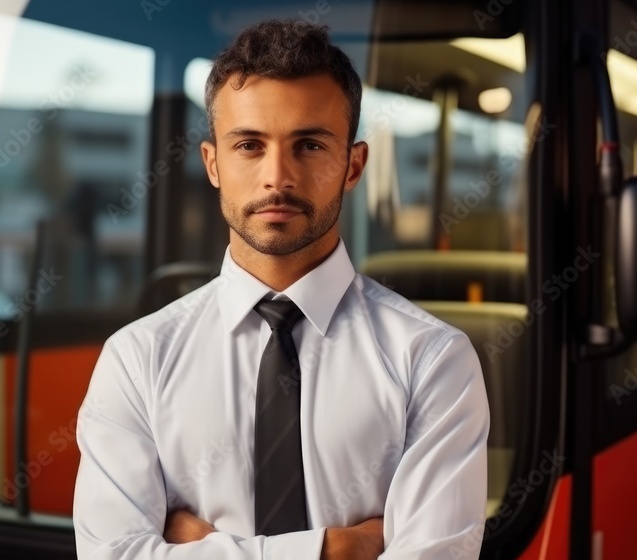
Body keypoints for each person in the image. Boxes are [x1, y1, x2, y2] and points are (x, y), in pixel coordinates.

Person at [72, 19, 490, 560]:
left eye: (310, 144)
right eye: (249, 144)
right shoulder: (137, 359)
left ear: (353, 165)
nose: (278, 176)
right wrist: (336, 549)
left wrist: (210, 548)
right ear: (213, 163)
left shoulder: (433, 360)